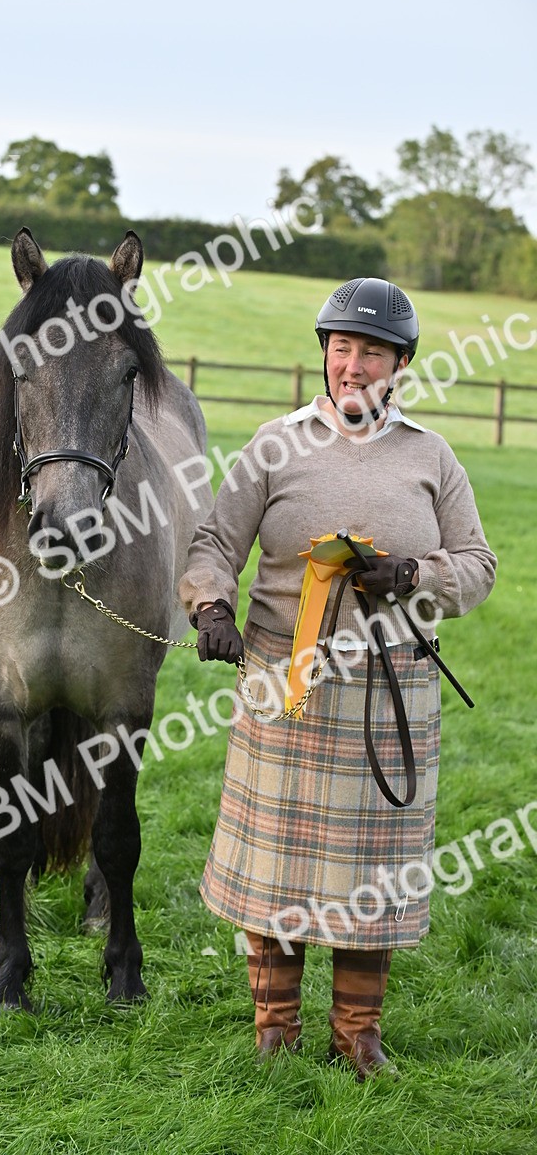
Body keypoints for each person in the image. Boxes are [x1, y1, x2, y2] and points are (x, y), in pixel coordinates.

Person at [178, 277, 497, 1080]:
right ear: (324, 354)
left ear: (400, 365)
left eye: (374, 352)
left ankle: (357, 1035)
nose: (354, 366)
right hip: (284, 685)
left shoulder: (431, 455)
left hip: (391, 690)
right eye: (342, 348)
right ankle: (274, 1030)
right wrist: (210, 605)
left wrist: (414, 573)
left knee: (373, 874)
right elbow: (215, 542)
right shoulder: (273, 444)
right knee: (277, 865)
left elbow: (479, 566)